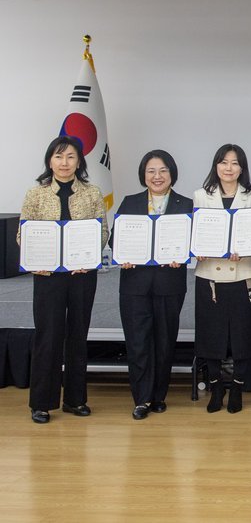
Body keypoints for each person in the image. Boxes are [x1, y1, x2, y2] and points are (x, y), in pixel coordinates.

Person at [19, 136, 108, 424]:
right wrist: (37, 256)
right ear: (50, 161)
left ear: (79, 161)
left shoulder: (92, 193)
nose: (64, 163)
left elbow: (102, 232)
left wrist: (88, 256)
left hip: (82, 275)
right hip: (48, 277)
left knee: (78, 335)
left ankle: (75, 399)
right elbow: (23, 235)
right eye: (58, 157)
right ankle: (42, 403)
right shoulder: (36, 194)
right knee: (48, 336)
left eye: (70, 157)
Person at [113, 150, 193, 420]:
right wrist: (122, 256)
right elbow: (115, 240)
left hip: (169, 283)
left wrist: (183, 253)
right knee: (138, 341)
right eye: (151, 171)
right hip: (134, 284)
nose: (157, 176)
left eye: (163, 170)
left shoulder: (186, 204)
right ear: (143, 175)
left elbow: (193, 242)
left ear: (172, 173)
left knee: (164, 340)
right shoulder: (130, 202)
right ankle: (142, 398)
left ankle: (159, 395)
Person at [192, 144, 251, 414]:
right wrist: (196, 248)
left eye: (235, 163)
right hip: (209, 275)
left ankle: (236, 388)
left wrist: (247, 248)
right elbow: (194, 233)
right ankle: (215, 388)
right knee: (211, 335)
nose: (229, 168)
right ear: (216, 165)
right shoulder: (200, 195)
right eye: (223, 162)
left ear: (242, 168)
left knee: (242, 336)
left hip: (243, 275)